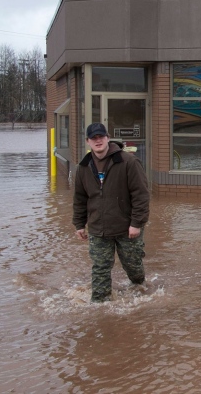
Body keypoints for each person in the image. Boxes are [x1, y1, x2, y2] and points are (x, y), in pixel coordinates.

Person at [73, 123, 150, 302]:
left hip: (126, 228)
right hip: (98, 228)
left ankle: (141, 290)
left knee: (134, 269)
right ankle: (99, 308)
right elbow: (79, 198)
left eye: (101, 137)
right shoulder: (83, 167)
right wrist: (79, 224)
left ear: (108, 138)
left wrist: (136, 223)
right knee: (100, 268)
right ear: (88, 141)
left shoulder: (128, 162)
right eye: (94, 138)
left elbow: (141, 195)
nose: (98, 141)